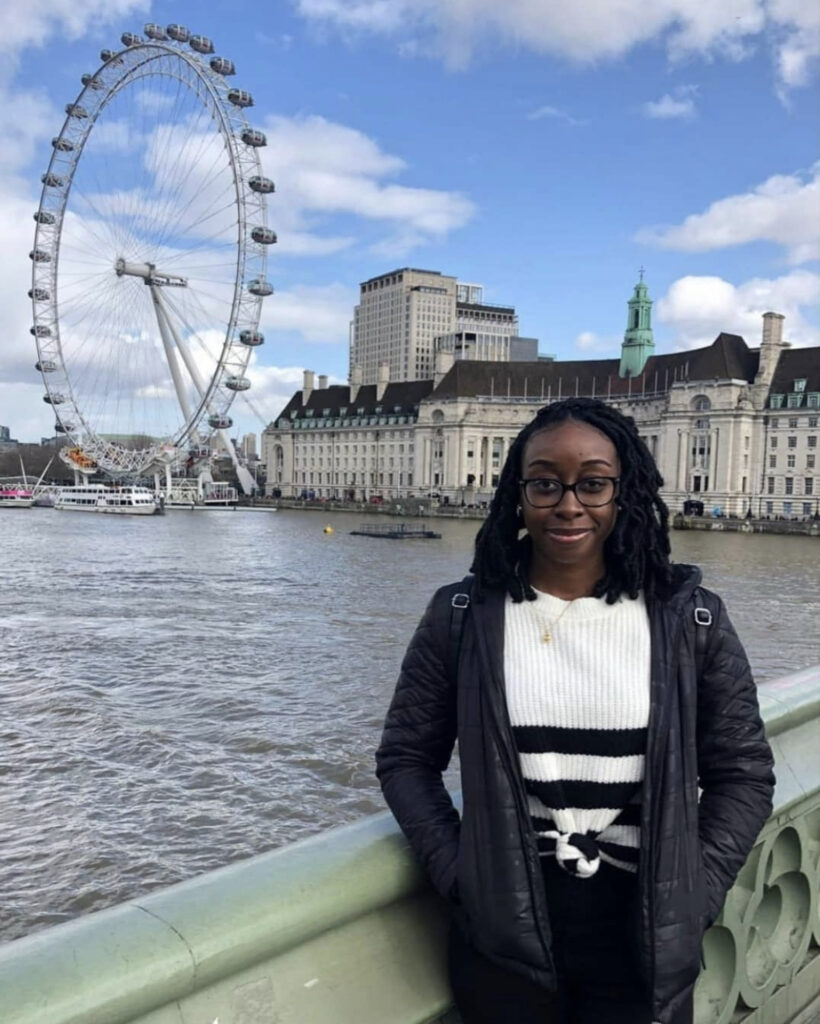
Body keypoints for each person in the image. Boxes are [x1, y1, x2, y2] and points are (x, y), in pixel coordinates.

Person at [375, 397, 774, 1024]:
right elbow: (405, 759)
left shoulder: (689, 620)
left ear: (625, 491)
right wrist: (460, 875)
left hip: (641, 943)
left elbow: (743, 773)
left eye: (592, 483)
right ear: (518, 492)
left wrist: (695, 894)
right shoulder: (462, 617)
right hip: (505, 942)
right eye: (544, 483)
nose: (567, 504)